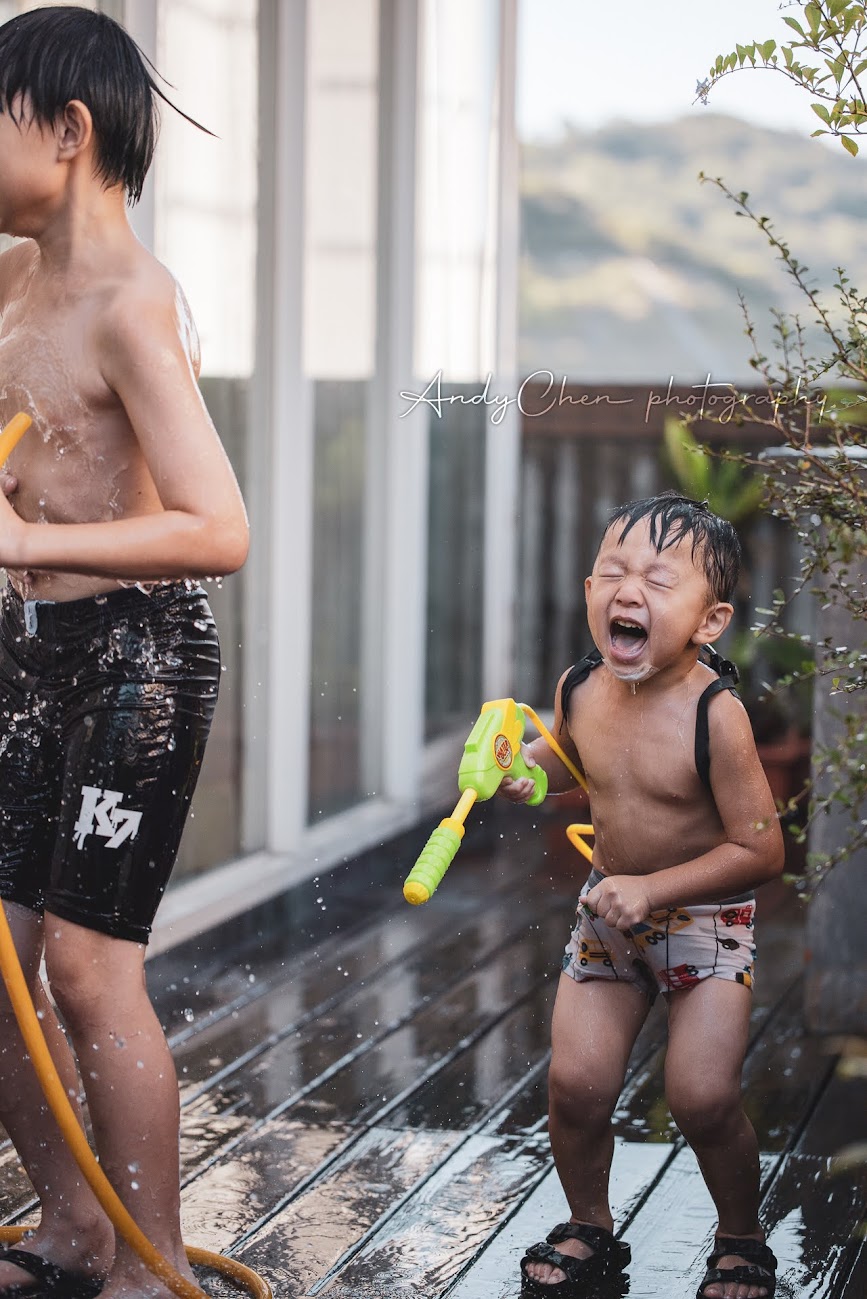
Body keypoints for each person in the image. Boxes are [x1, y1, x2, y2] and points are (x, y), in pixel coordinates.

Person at [0, 7, 248, 1298]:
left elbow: (220, 526)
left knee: (90, 968)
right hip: (36, 652)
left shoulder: (134, 308)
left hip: (139, 661)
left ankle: (153, 1271)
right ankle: (74, 1227)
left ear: (70, 131)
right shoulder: (15, 276)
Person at [501, 493, 784, 1299]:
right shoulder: (581, 686)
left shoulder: (714, 714)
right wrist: (525, 772)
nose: (627, 591)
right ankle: (590, 1224)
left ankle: (739, 1236)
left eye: (659, 580)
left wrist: (652, 887)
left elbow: (761, 847)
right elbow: (564, 757)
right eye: (612, 572)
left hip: (702, 920)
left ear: (708, 620)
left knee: (701, 1094)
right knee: (576, 1085)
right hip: (608, 919)